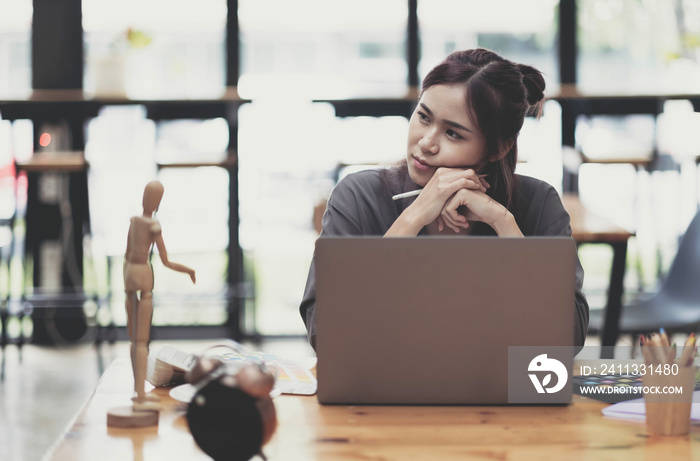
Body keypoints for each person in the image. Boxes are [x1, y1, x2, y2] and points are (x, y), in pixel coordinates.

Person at [299, 48, 589, 350]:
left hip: (505, 391)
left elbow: (569, 337)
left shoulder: (538, 203)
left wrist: (503, 224)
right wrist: (412, 218)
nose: (426, 142)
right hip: (383, 395)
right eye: (423, 117)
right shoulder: (357, 197)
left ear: (498, 148)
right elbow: (326, 332)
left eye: (453, 134)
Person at [124, 180, 196, 410]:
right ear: (158, 202)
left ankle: (138, 390)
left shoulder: (134, 222)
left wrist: (127, 277)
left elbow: (126, 254)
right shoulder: (153, 226)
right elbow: (165, 261)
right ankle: (140, 392)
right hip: (144, 276)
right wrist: (188, 270)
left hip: (130, 275)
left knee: (133, 338)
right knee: (141, 340)